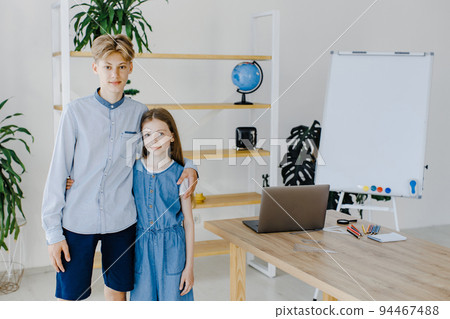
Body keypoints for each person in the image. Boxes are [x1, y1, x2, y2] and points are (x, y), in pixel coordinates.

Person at [41, 34, 198, 301]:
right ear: (95, 68)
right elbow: (58, 172)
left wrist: (191, 168)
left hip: (121, 222)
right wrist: (53, 233)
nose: (115, 74)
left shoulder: (139, 112)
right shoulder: (75, 112)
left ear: (130, 69)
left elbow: (159, 150)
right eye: (107, 67)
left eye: (122, 66)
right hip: (79, 220)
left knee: (117, 293)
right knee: (70, 297)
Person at [130, 108, 194, 301]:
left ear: (172, 137)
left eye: (161, 134)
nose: (154, 140)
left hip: (173, 249)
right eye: (147, 134)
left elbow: (189, 223)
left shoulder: (181, 174)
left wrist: (189, 267)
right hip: (141, 247)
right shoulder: (132, 171)